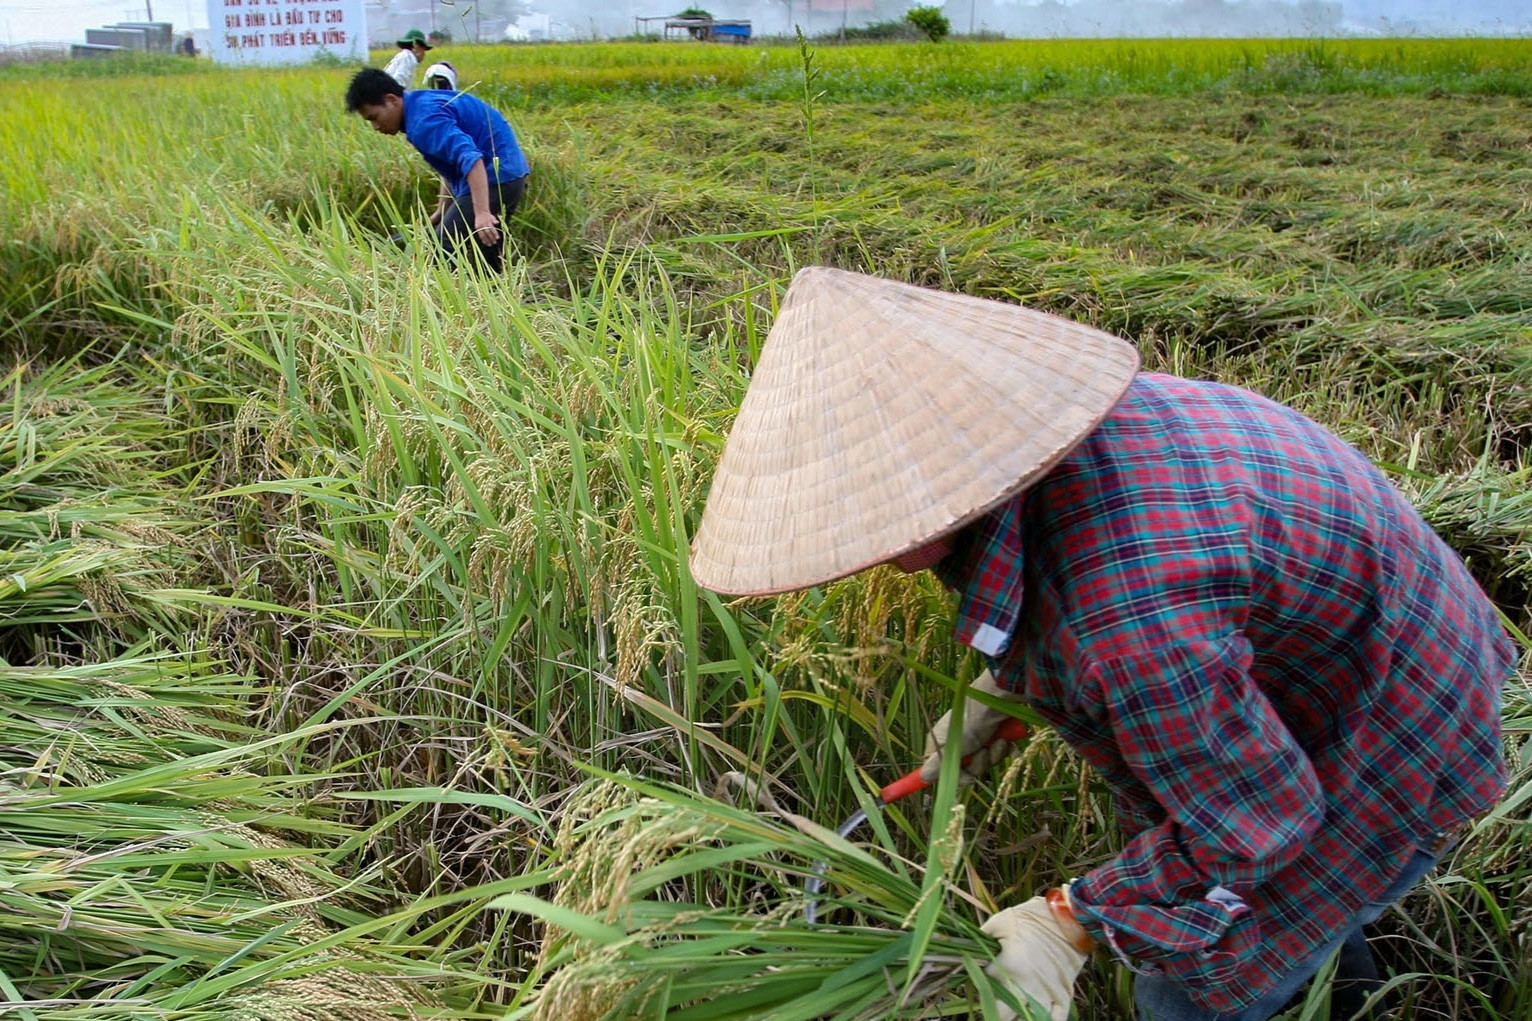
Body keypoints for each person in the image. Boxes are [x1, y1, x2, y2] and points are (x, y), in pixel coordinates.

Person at [688, 267, 1511, 1021]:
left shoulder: (1126, 628)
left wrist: (1067, 918)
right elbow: (1062, 576)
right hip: (1346, 638)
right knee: (1294, 913)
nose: (856, 552)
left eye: (862, 520)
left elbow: (1261, 822)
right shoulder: (1046, 432)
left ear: (932, 501)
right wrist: (998, 696)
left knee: (1182, 989)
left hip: (1402, 709)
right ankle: (1341, 993)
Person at [345, 67, 530, 273]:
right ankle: (495, 295)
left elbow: (472, 160)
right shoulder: (418, 104)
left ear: (392, 100)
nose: (376, 127)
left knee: (443, 243)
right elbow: (451, 165)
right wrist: (443, 210)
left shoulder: (424, 122)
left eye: (374, 117)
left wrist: (482, 212)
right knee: (485, 246)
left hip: (496, 177)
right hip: (507, 173)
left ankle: (439, 300)